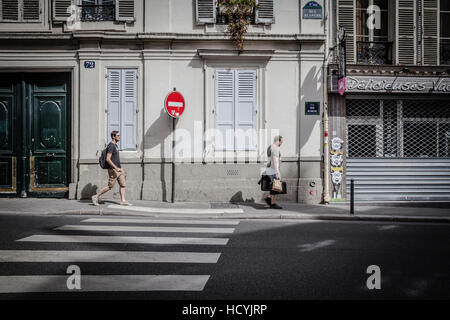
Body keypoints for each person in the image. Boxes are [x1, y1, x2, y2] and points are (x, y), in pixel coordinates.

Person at [92, 131, 131, 206]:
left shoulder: (115, 146)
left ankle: (123, 201)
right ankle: (95, 197)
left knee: (123, 185)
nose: (119, 137)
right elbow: (108, 159)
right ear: (113, 136)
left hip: (120, 169)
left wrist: (119, 168)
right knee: (110, 186)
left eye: (119, 135)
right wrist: (116, 168)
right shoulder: (111, 146)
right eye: (118, 135)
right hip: (113, 170)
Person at [264, 135, 283, 209]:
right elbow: (275, 160)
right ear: (278, 141)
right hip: (273, 170)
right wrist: (277, 172)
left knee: (273, 187)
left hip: (269, 169)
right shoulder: (276, 148)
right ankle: (272, 203)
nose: (281, 143)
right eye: (281, 141)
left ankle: (269, 200)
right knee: (276, 187)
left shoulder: (270, 147)